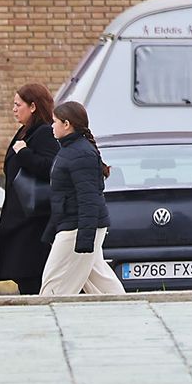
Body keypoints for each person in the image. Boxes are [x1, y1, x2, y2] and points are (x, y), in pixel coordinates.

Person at [40, 101, 125, 296]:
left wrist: (85, 240)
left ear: (67, 124)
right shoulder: (71, 149)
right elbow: (65, 194)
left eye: (55, 122)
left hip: (77, 229)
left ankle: (48, 321)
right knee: (100, 283)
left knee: (53, 286)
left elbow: (88, 199)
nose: (52, 126)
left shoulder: (80, 153)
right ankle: (128, 311)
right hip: (75, 225)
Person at [0, 84, 60, 295]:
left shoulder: (45, 132)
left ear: (33, 106)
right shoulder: (26, 130)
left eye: (17, 104)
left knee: (30, 274)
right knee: (21, 274)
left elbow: (51, 167)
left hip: (33, 219)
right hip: (19, 216)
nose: (13, 109)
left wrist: (25, 154)